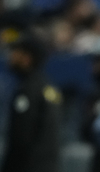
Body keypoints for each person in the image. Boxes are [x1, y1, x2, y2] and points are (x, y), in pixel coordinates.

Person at [1, 34, 62, 172]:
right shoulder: (49, 87)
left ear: (27, 58)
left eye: (16, 52)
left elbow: (21, 137)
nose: (11, 56)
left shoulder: (27, 90)